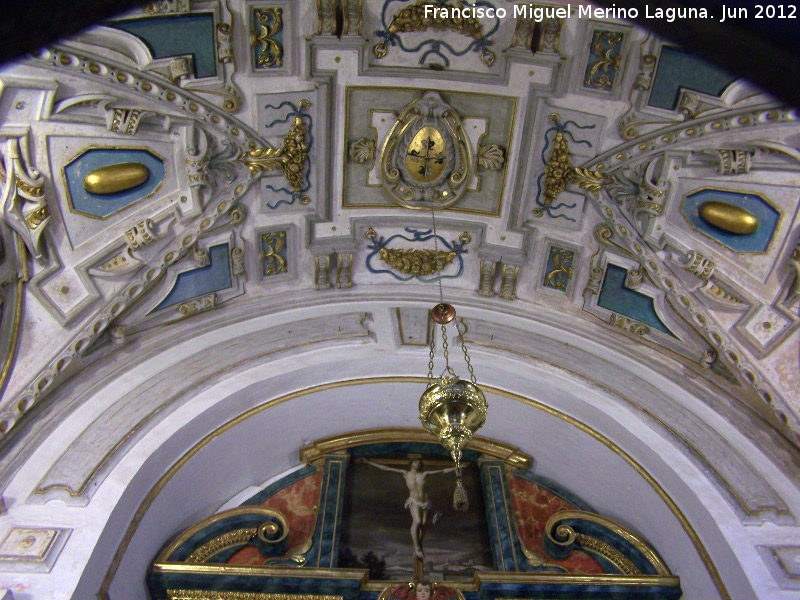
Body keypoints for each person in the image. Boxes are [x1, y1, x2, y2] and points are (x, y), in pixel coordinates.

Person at [357, 457, 466, 560]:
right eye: (415, 462)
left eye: (419, 462)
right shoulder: (406, 474)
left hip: (425, 501)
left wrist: (459, 466)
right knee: (417, 521)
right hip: (414, 500)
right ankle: (417, 547)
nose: (417, 464)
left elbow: (443, 471)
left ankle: (418, 545)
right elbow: (386, 468)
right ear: (411, 463)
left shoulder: (424, 474)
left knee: (423, 523)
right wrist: (368, 462)